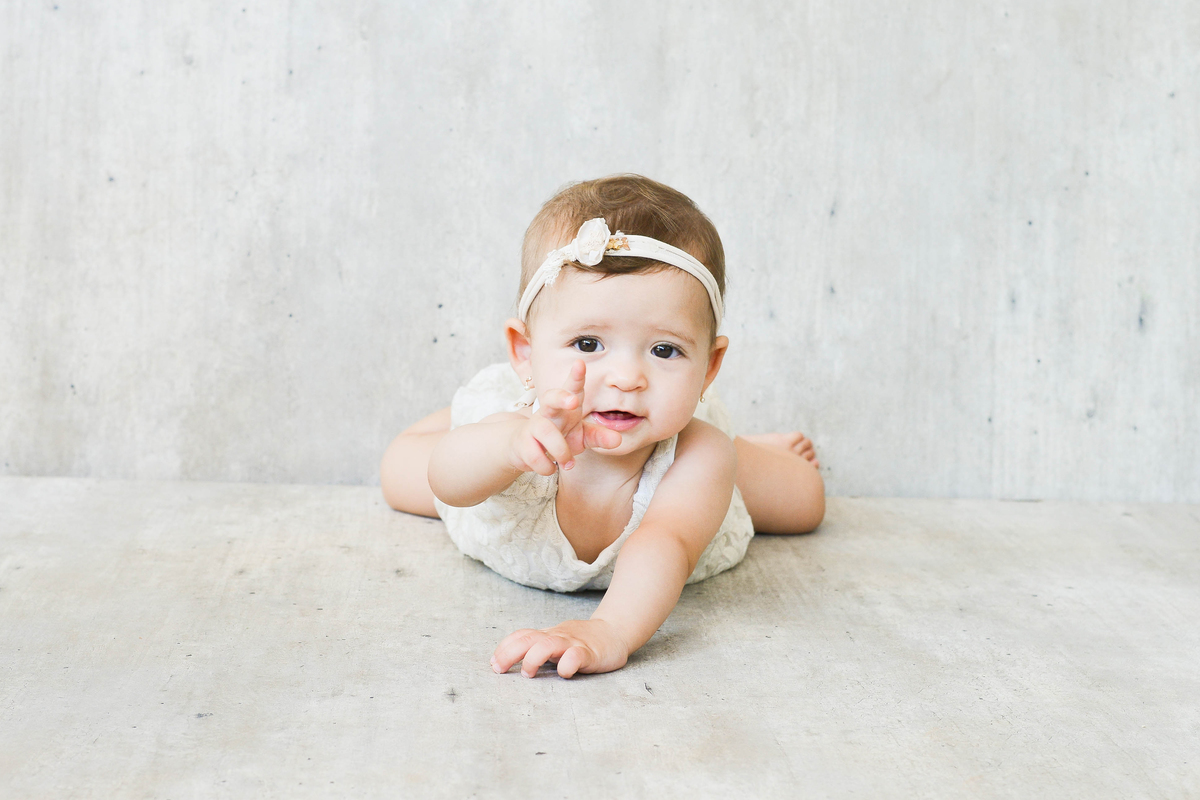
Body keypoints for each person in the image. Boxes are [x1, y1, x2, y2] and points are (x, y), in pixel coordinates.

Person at [381, 174, 824, 678]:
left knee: (803, 498)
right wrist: (507, 446)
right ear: (525, 352)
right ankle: (467, 407)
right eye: (588, 344)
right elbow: (447, 482)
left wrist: (610, 630)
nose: (626, 379)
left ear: (709, 366)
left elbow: (666, 541)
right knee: (400, 469)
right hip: (510, 430)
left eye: (664, 350)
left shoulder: (697, 457)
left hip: (681, 450)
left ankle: (745, 447)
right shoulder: (517, 433)